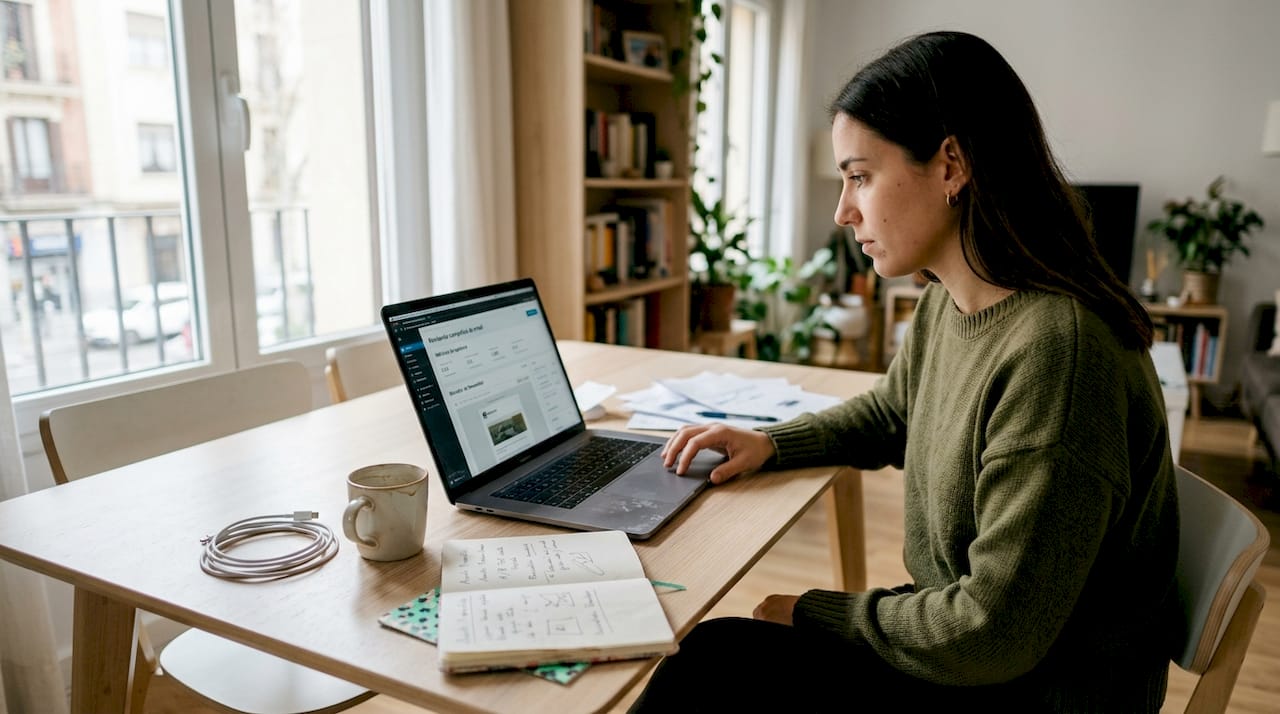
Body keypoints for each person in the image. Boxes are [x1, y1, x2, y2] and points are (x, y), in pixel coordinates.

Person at [629, 30, 1179, 712]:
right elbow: (894, 412)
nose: (843, 211)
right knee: (715, 659)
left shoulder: (1056, 354)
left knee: (712, 665)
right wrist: (771, 443)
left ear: (951, 165)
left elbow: (992, 633)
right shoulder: (952, 300)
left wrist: (819, 613)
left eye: (860, 176)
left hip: (1034, 688)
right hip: (981, 653)